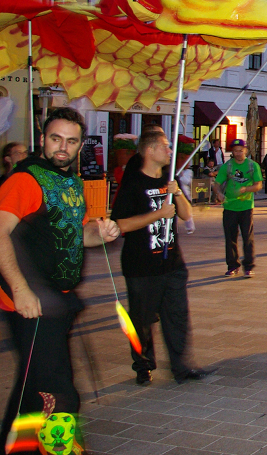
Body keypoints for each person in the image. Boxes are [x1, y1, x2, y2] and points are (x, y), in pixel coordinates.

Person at [0, 107, 121, 455]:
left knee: (31, 392)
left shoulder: (71, 182)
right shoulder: (25, 179)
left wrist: (101, 232)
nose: (62, 147)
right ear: (43, 139)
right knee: (58, 392)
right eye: (55, 139)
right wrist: (20, 288)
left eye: (71, 140)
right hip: (31, 305)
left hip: (55, 303)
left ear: (80, 145)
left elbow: (76, 236)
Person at [110, 129, 207, 385]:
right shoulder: (133, 183)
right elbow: (120, 225)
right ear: (150, 151)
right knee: (141, 321)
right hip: (141, 266)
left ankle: (182, 367)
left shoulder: (168, 178)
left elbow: (185, 214)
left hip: (172, 263)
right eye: (165, 146)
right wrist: (158, 215)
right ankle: (143, 364)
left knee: (177, 317)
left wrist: (176, 193)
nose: (170, 151)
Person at [213, 139, 263, 278]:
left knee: (248, 238)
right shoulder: (227, 166)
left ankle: (248, 266)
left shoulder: (252, 166)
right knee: (230, 238)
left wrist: (246, 188)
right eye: (235, 151)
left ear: (245, 150)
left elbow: (258, 185)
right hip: (230, 207)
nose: (238, 153)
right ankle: (232, 266)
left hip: (246, 207)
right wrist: (219, 194)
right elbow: (217, 184)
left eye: (241, 150)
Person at [0, 142, 27, 337]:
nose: (23, 155)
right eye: (18, 153)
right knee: (4, 279)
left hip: (21, 241)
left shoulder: (27, 179)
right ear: (7, 158)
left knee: (3, 281)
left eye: (25, 152)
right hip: (5, 239)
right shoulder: (0, 183)